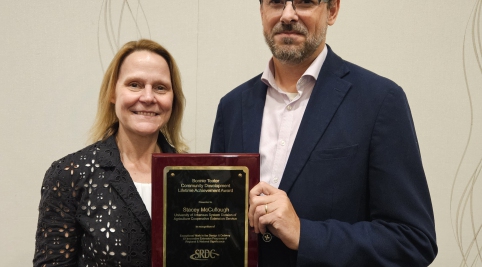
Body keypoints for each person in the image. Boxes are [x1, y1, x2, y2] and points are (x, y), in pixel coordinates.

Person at [210, 0, 437, 266]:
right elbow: (219, 224)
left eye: (305, 2)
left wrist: (304, 234)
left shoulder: (380, 101)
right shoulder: (232, 106)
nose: (288, 15)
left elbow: (413, 240)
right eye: (276, 3)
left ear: (332, 10)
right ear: (262, 11)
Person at [33, 39, 187, 266]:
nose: (147, 97)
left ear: (173, 99)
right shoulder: (69, 175)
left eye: (160, 87)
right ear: (112, 93)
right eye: (134, 84)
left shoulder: (193, 177)